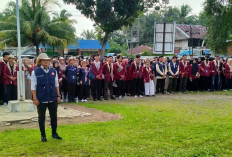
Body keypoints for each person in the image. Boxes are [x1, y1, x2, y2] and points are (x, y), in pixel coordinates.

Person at [31, 53, 62, 142]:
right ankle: (43, 135)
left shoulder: (53, 71)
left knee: (54, 116)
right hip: (41, 98)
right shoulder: (35, 72)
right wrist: (35, 98)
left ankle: (54, 133)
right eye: (44, 60)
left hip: (52, 97)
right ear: (40, 61)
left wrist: (58, 95)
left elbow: (56, 84)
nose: (46, 62)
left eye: (48, 60)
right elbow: (33, 86)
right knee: (41, 117)